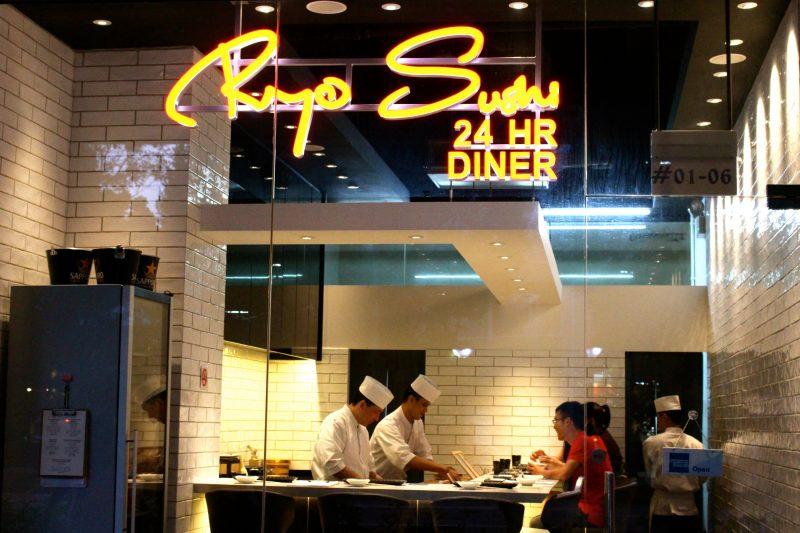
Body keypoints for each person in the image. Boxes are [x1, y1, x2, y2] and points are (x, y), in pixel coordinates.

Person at [528, 401, 612, 529]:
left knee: (537, 522)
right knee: (542, 517)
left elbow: (564, 474)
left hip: (589, 514)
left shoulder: (582, 441)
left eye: (556, 420)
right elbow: (567, 469)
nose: (554, 426)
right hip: (594, 510)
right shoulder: (587, 439)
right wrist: (545, 466)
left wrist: (539, 471)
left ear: (567, 421)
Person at [370, 374, 461, 481]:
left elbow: (424, 454)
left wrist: (442, 472)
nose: (425, 410)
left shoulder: (418, 423)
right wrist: (442, 469)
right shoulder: (388, 425)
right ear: (411, 399)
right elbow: (404, 458)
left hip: (397, 482)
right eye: (424, 405)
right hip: (375, 483)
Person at [312, 376, 393, 480]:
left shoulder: (363, 430)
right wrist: (361, 483)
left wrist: (386, 485)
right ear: (362, 405)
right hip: (334, 493)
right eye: (376, 412)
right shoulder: (336, 422)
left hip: (357, 493)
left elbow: (370, 469)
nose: (377, 418)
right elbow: (332, 463)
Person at [643, 395, 704, 532]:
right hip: (689, 508)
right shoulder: (697, 445)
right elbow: (703, 476)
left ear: (665, 416)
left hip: (662, 508)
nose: (658, 421)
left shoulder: (651, 443)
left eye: (658, 417)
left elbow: (650, 473)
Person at [586, 402, 626, 477]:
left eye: (581, 419)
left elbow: (596, 470)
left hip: (608, 483)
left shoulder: (598, 440)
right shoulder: (602, 433)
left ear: (591, 421)